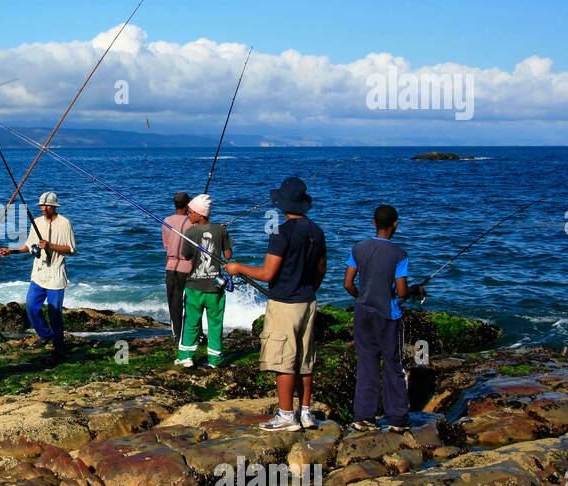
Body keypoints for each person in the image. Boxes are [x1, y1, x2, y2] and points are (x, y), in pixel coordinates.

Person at [224, 176, 327, 431]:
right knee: (304, 359)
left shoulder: (280, 233)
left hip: (284, 304)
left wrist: (237, 268)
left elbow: (268, 273)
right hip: (308, 301)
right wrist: (309, 288)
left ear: (282, 204)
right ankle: (305, 413)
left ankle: (285, 415)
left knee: (284, 359)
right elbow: (321, 269)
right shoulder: (316, 231)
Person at [343, 204, 425, 430]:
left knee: (367, 363)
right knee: (392, 364)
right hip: (388, 315)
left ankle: (363, 417)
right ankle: (397, 418)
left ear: (374, 223)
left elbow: (348, 284)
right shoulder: (399, 255)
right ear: (395, 224)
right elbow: (401, 292)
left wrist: (362, 298)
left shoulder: (358, 248)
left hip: (362, 313)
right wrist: (416, 290)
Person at [0, 191, 76, 361]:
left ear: (54, 207)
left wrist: (50, 245)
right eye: (41, 205)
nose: (43, 208)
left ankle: (59, 345)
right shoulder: (37, 222)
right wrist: (11, 251)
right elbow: (29, 245)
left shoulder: (65, 223)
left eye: (46, 205)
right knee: (31, 307)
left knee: (54, 313)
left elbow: (71, 250)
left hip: (56, 274)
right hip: (39, 273)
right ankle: (45, 334)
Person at [176, 194, 233, 368]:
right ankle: (215, 359)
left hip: (194, 285)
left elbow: (186, 255)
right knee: (216, 323)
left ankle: (186, 356)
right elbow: (228, 255)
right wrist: (222, 234)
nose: (188, 215)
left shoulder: (191, 232)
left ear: (200, 214)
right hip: (215, 286)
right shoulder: (220, 230)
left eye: (191, 212)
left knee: (191, 321)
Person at [162, 191, 196, 346]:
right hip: (190, 267)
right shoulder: (194, 223)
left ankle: (177, 335)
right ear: (188, 204)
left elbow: (167, 245)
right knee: (192, 303)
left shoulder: (166, 221)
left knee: (174, 303)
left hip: (172, 266)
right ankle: (195, 333)